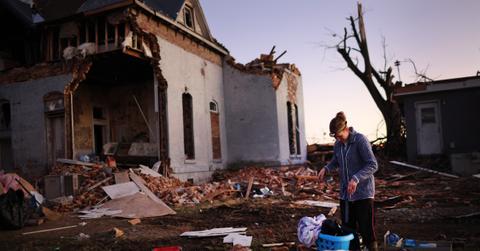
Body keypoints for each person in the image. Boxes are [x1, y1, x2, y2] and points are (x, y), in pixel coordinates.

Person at [318, 112, 378, 251]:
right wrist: (326, 168)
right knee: (347, 229)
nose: (338, 139)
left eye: (339, 135)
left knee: (366, 229)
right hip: (346, 195)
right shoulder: (338, 145)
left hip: (363, 194)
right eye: (335, 137)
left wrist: (356, 179)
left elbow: (373, 164)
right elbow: (335, 161)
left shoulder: (360, 140)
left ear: (346, 129)